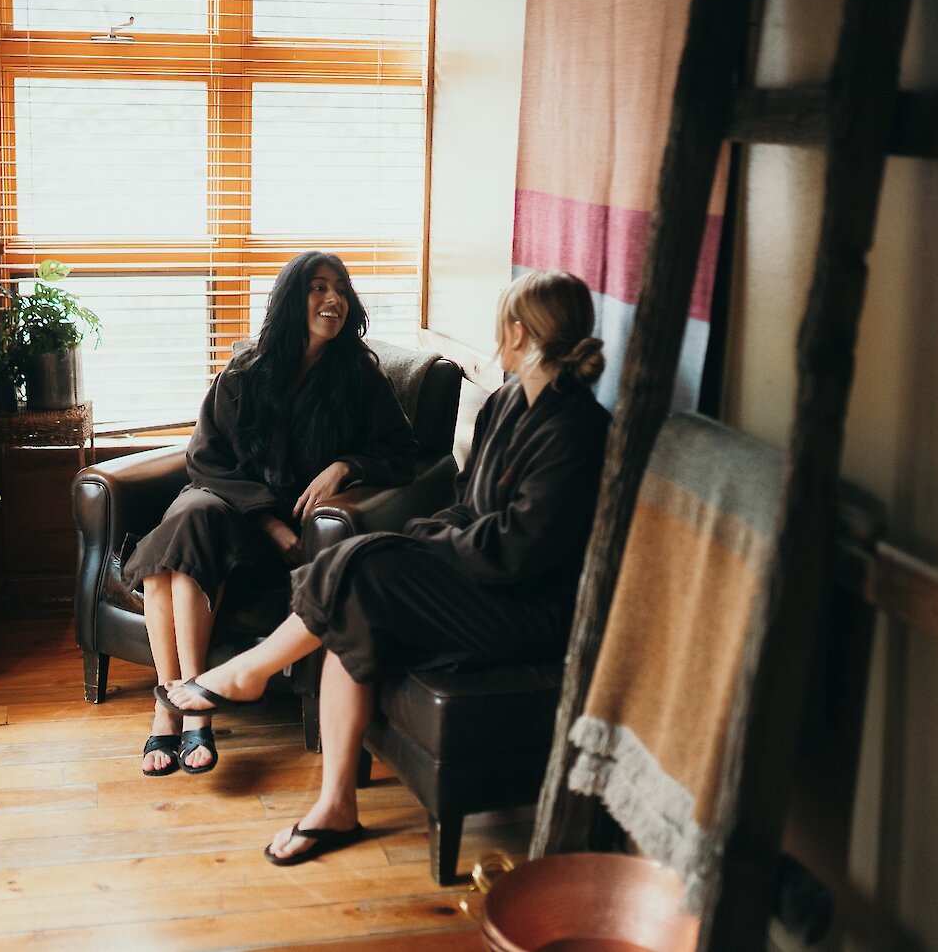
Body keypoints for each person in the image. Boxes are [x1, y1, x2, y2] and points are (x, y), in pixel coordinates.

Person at [161, 269, 611, 863]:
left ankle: (250, 673)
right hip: (483, 578)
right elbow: (469, 507)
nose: (495, 335)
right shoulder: (505, 404)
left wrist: (422, 552)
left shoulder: (576, 427)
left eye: (502, 323)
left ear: (521, 334)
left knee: (363, 568)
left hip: (530, 607)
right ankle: (336, 806)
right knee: (360, 588)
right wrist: (422, 540)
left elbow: (519, 549)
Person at [123, 251, 417, 777]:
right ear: (290, 300)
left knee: (180, 544)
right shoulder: (245, 373)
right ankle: (189, 711)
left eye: (341, 289)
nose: (333, 300)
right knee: (192, 519)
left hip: (296, 541)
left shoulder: (359, 379)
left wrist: (345, 466)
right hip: (236, 517)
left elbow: (403, 452)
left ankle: (174, 707)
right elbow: (205, 460)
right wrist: (267, 519)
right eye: (318, 288)